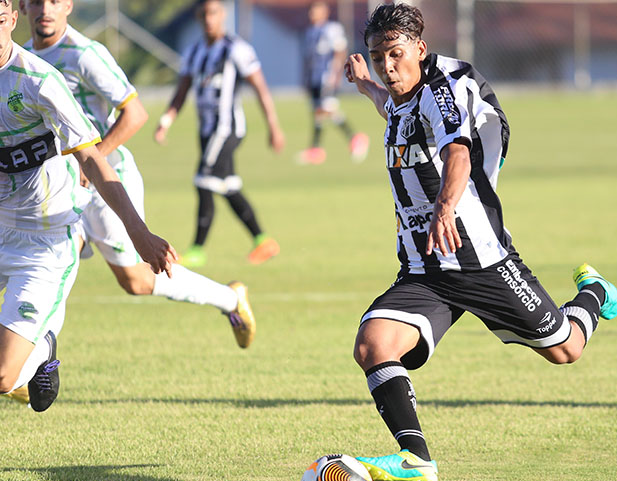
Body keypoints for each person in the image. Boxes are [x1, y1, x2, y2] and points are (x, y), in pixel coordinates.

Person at [344, 3, 617, 481]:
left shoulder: (440, 94)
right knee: (372, 344)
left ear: (419, 49)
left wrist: (445, 208)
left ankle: (595, 293)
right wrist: (366, 84)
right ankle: (416, 460)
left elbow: (458, 152)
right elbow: (394, 108)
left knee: (566, 349)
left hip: (478, 260)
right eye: (378, 56)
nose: (387, 66)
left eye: (395, 54)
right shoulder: (400, 96)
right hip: (424, 269)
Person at [19, 0, 257, 357]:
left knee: (137, 280)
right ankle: (32, 364)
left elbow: (135, 113)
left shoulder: (84, 54)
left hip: (105, 180)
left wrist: (91, 162)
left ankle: (229, 298)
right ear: (23, 8)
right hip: (60, 187)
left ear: (68, 5)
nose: (45, 10)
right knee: (51, 266)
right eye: (37, 1)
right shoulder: (21, 60)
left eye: (54, 1)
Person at [0, 0, 175, 412]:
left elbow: (93, 160)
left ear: (11, 18)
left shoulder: (39, 80)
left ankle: (42, 348)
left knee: (4, 377)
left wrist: (139, 233)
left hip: (44, 242)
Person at [154, 0, 285, 268]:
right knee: (227, 185)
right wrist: (166, 121)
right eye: (204, 14)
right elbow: (182, 91)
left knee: (203, 180)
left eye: (213, 13)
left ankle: (197, 250)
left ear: (222, 15)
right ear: (198, 16)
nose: (208, 19)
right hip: (206, 131)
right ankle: (263, 241)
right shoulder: (194, 52)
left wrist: (274, 126)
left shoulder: (236, 49)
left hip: (227, 129)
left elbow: (260, 88)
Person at [297, 1, 368, 165]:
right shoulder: (309, 32)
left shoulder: (331, 29)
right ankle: (316, 149)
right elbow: (308, 58)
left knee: (325, 109)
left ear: (324, 12)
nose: (312, 14)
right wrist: (305, 77)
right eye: (311, 10)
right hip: (314, 78)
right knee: (318, 112)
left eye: (315, 10)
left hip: (326, 77)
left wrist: (335, 74)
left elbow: (340, 51)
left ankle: (354, 137)